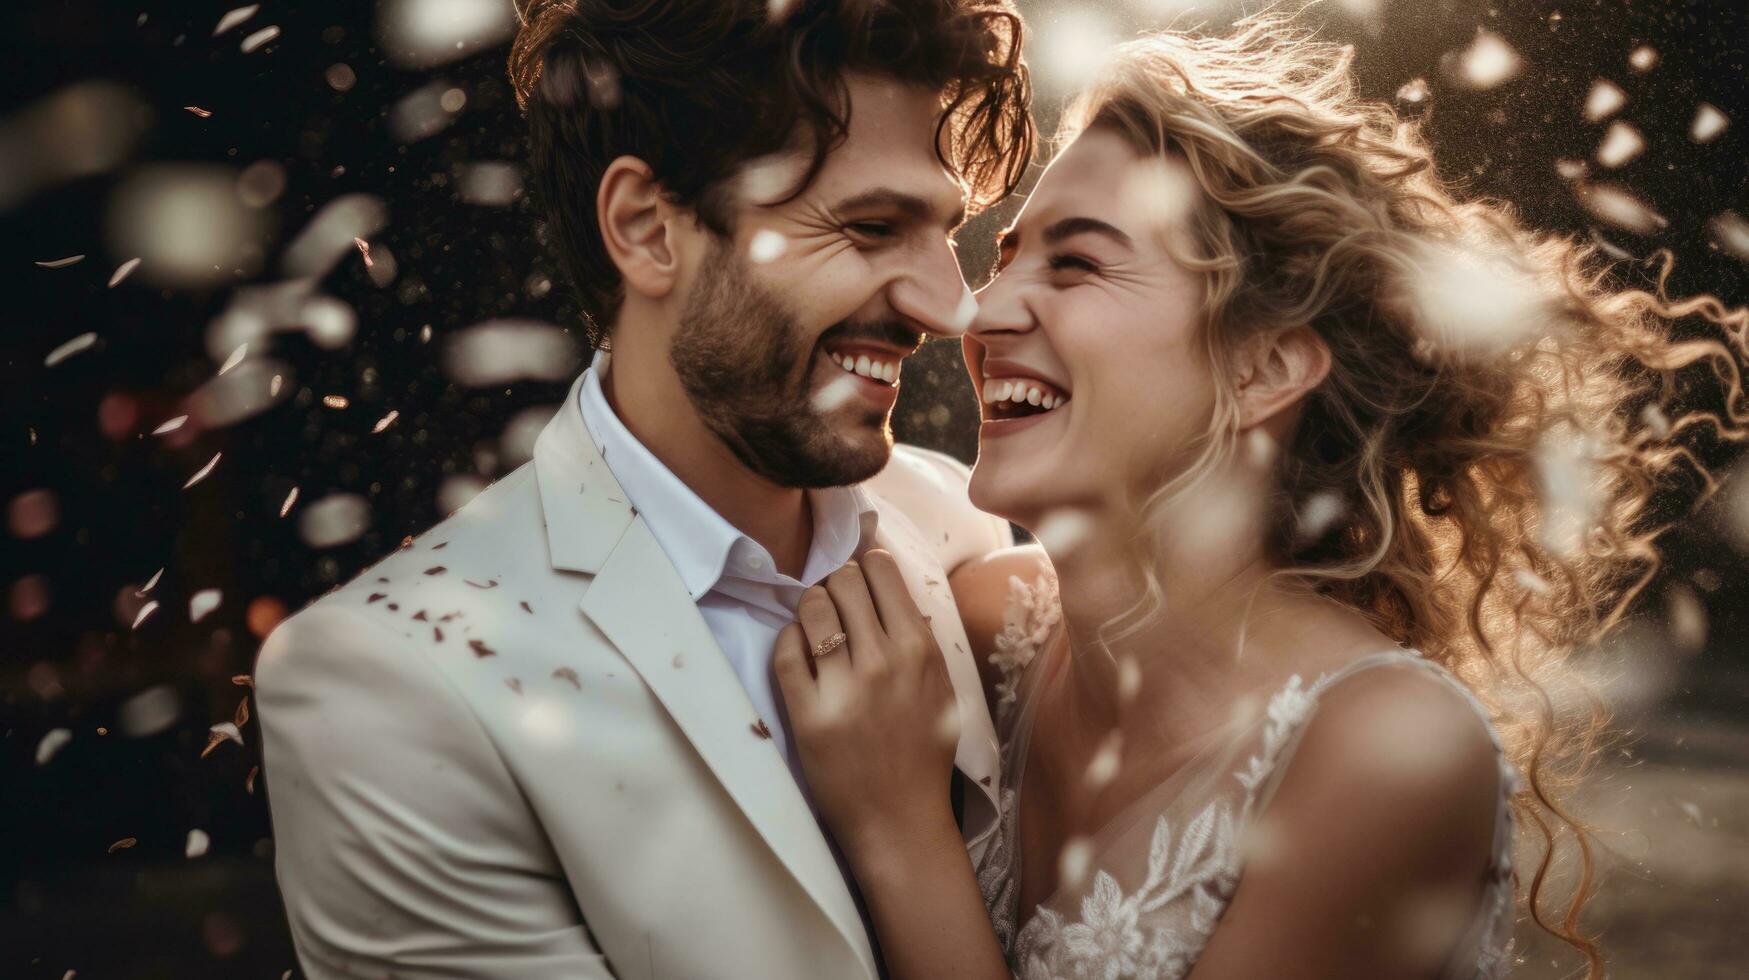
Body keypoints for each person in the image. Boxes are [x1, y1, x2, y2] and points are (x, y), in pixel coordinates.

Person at [778, 17, 1749, 980]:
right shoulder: (980, 629)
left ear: (1266, 364)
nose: (980, 312)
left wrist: (899, 830)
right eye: (1005, 257)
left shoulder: (1386, 753)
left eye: (1074, 262)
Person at [252, 1, 1032, 977]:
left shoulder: (965, 537)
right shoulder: (389, 685)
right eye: (872, 226)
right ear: (646, 227)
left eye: (942, 230)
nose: (947, 302)